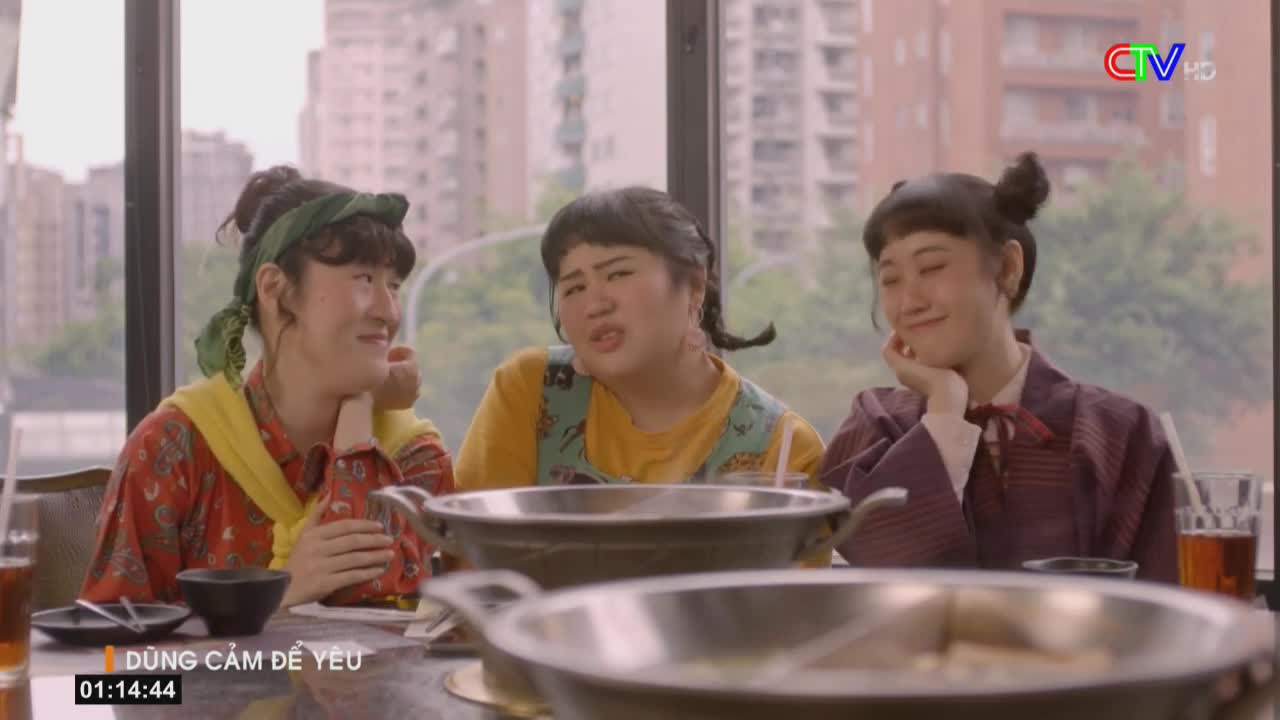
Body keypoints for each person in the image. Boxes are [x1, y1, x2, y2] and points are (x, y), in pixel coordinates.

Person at [81, 166, 455, 607]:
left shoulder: (415, 458)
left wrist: (360, 402)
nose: (388, 311)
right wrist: (279, 595)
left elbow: (372, 596)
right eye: (364, 280)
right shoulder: (175, 448)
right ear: (275, 288)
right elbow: (115, 643)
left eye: (393, 285)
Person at [820, 152, 1177, 582]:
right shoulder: (871, 430)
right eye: (890, 279)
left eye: (931, 267)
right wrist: (944, 413)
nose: (910, 301)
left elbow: (1167, 600)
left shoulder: (1121, 434)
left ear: (1008, 268)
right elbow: (877, 577)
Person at [455, 186, 824, 493]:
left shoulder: (783, 447)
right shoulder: (530, 391)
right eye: (574, 288)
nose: (595, 305)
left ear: (695, 285)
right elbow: (473, 550)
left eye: (618, 274)